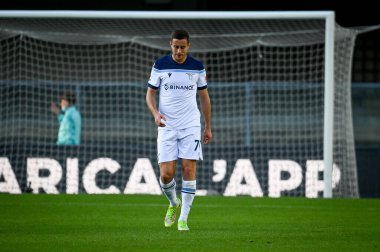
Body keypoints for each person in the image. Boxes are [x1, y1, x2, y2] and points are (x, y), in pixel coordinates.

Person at [146, 30, 212, 231]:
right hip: (167, 125)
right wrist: (155, 113)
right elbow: (149, 95)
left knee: (188, 168)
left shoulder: (197, 67)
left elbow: (204, 97)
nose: (179, 50)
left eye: (183, 47)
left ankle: (183, 219)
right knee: (166, 175)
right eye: (176, 46)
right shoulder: (160, 65)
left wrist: (208, 126)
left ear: (188, 46)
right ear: (170, 45)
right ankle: (174, 203)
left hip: (191, 124)